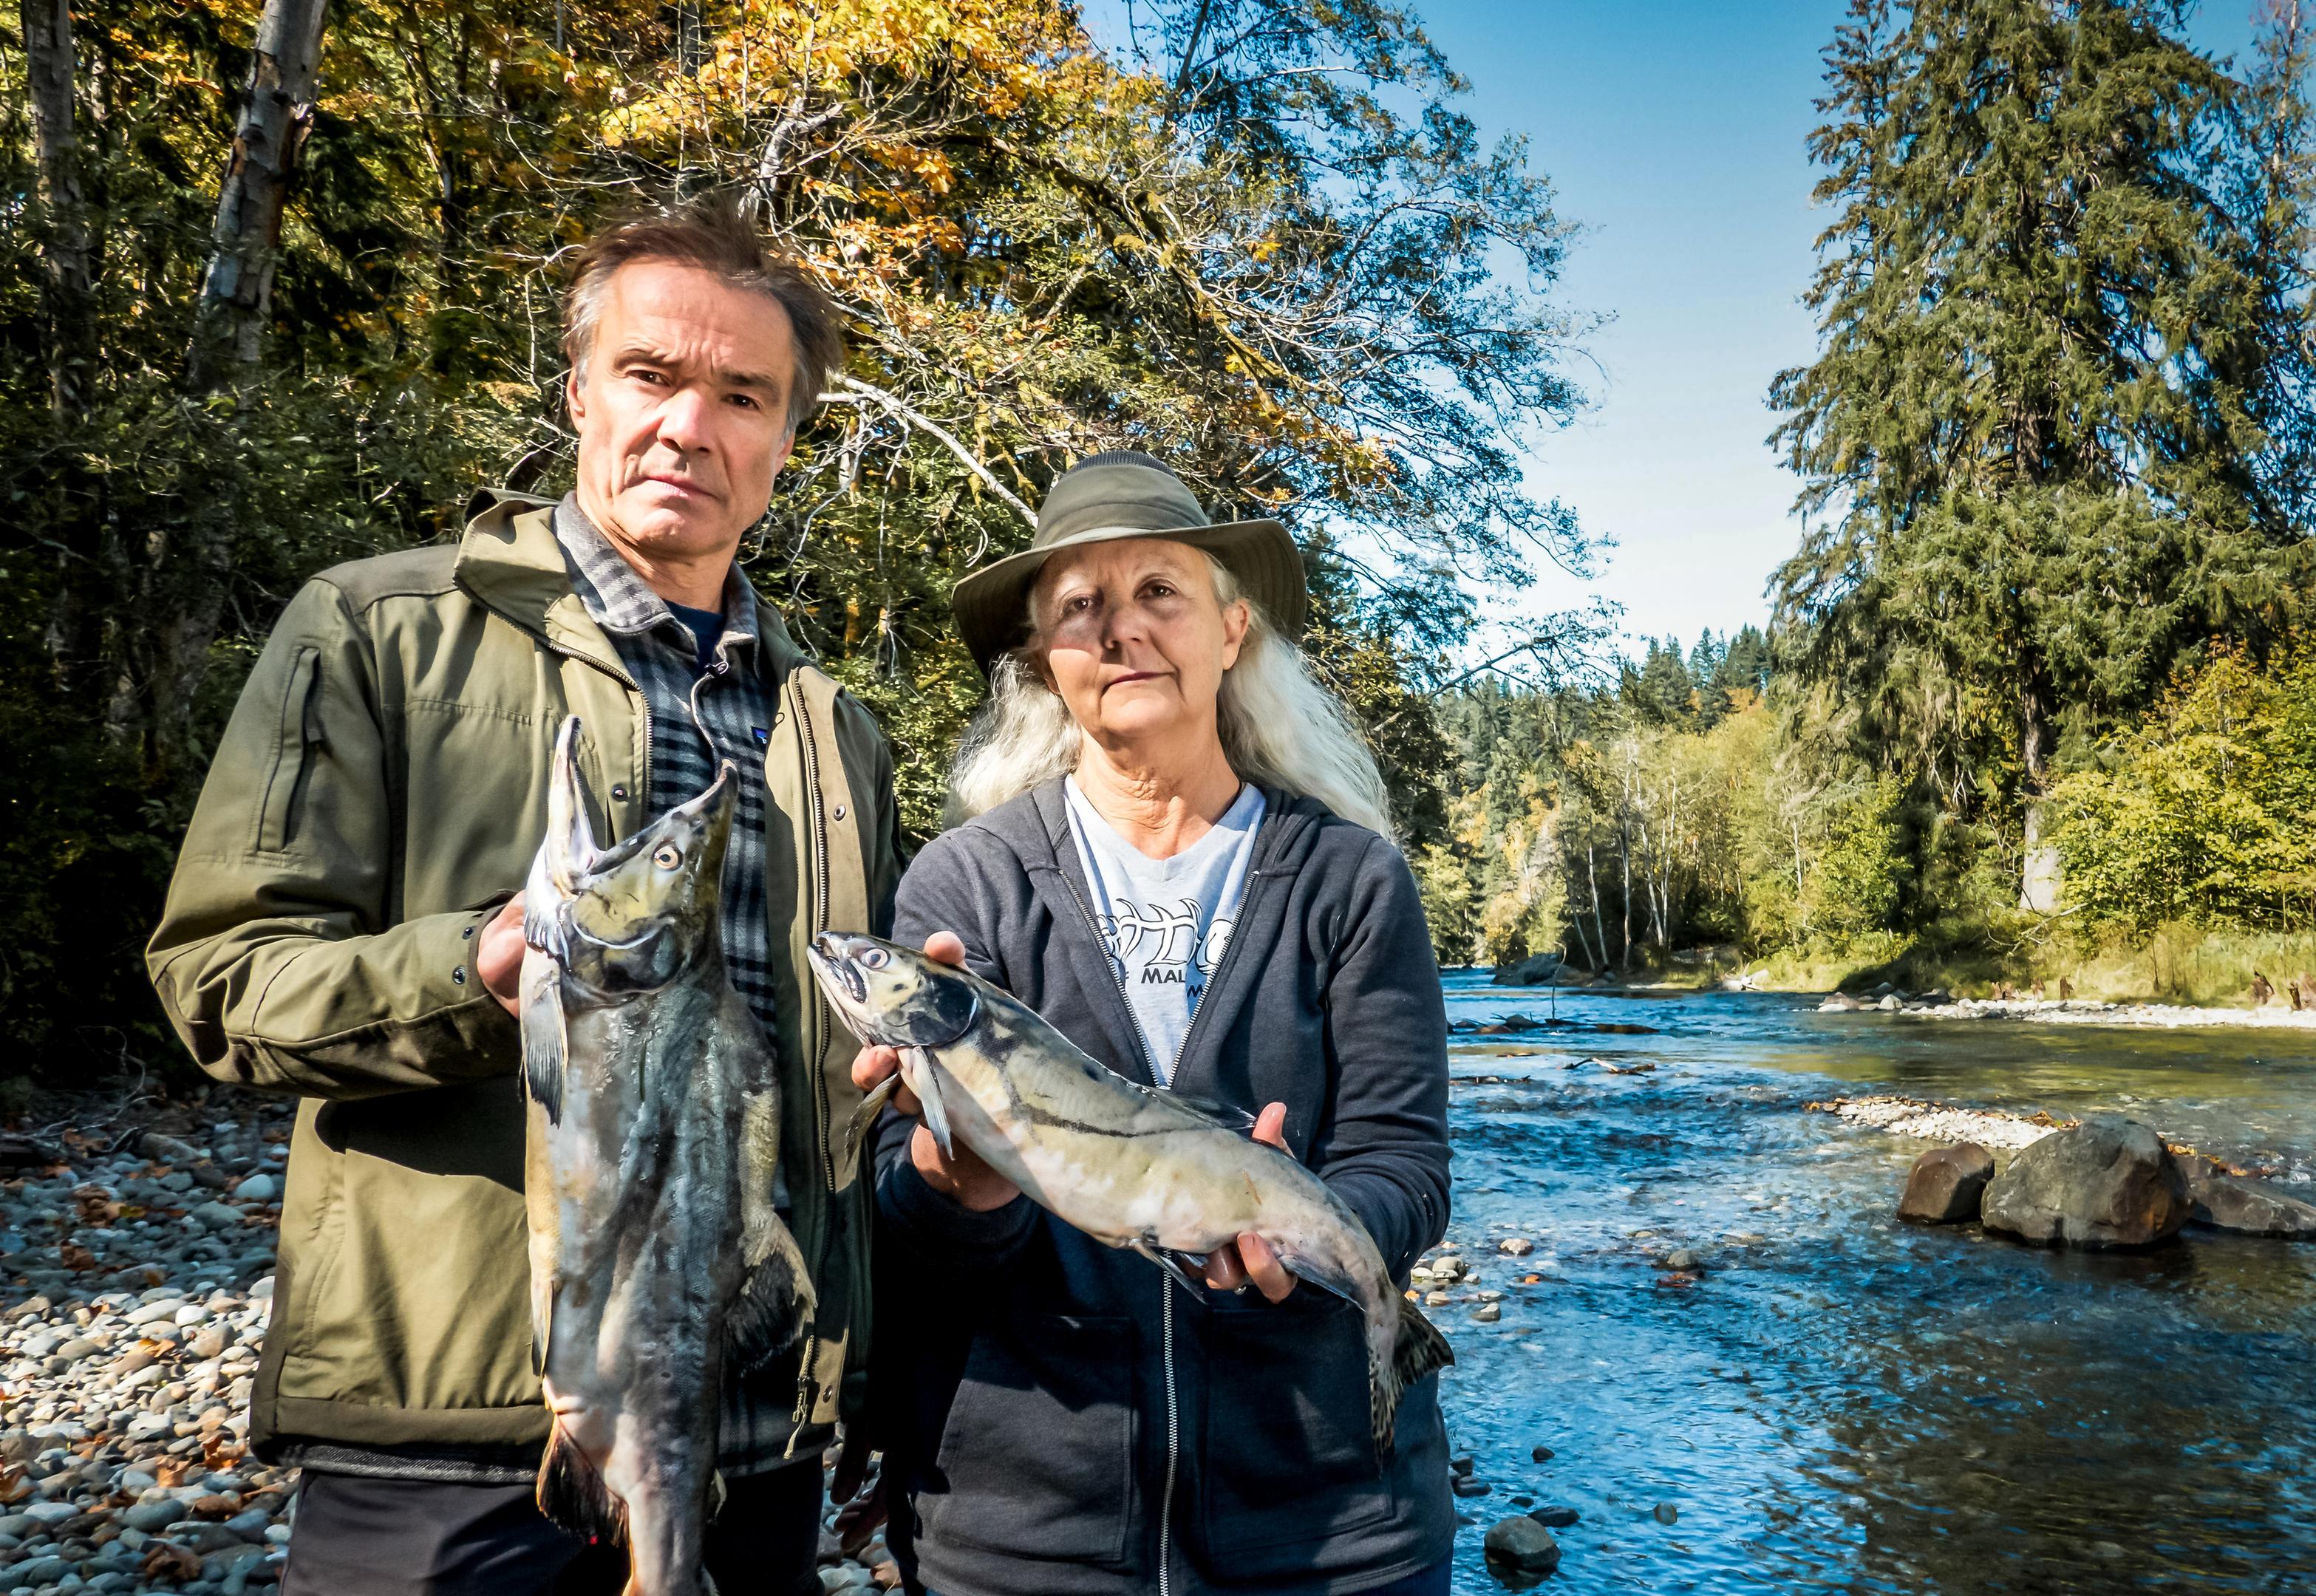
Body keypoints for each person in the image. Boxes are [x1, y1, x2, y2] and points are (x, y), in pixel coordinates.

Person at [145, 197, 907, 1596]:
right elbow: (221, 981)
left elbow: (830, 1104)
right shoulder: (381, 629)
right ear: (577, 391)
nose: (692, 425)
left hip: (757, 1438)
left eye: (744, 394)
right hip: (460, 1438)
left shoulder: (834, 729)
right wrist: (472, 974)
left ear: (787, 440)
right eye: (653, 375)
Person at [853, 451, 1454, 1596]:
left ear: (1233, 630)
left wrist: (1308, 1238)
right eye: (1080, 607)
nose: (1121, 630)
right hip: (1029, 1538)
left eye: (1158, 594)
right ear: (1045, 661)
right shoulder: (963, 889)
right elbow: (909, 1231)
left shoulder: (1350, 881)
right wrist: (956, 1175)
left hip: (1330, 1533)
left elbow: (1407, 1166)